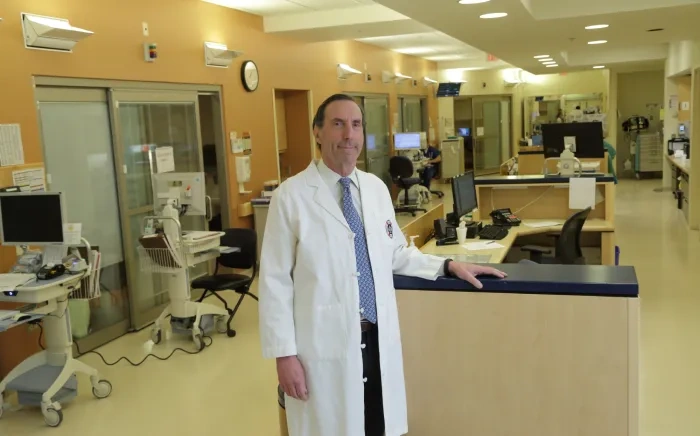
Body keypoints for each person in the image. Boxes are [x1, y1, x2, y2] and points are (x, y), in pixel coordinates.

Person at [258, 93, 506, 436]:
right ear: (318, 132)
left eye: (356, 125)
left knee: (376, 424)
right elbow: (274, 282)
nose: (349, 135)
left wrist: (448, 265)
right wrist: (284, 356)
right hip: (322, 348)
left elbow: (395, 253)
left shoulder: (374, 189)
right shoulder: (291, 197)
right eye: (338, 124)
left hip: (375, 339)